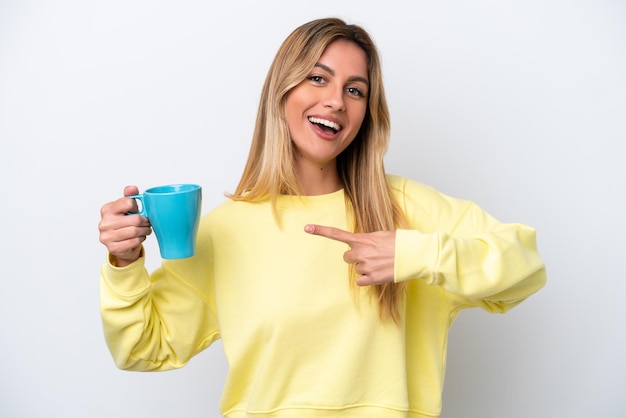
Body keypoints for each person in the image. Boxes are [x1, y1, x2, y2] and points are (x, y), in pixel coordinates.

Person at [98, 17, 546, 418]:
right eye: (318, 78)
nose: (336, 101)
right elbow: (142, 348)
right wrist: (124, 263)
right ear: (283, 90)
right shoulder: (225, 229)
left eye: (355, 90)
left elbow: (525, 268)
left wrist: (416, 253)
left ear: (366, 114)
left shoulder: (407, 209)